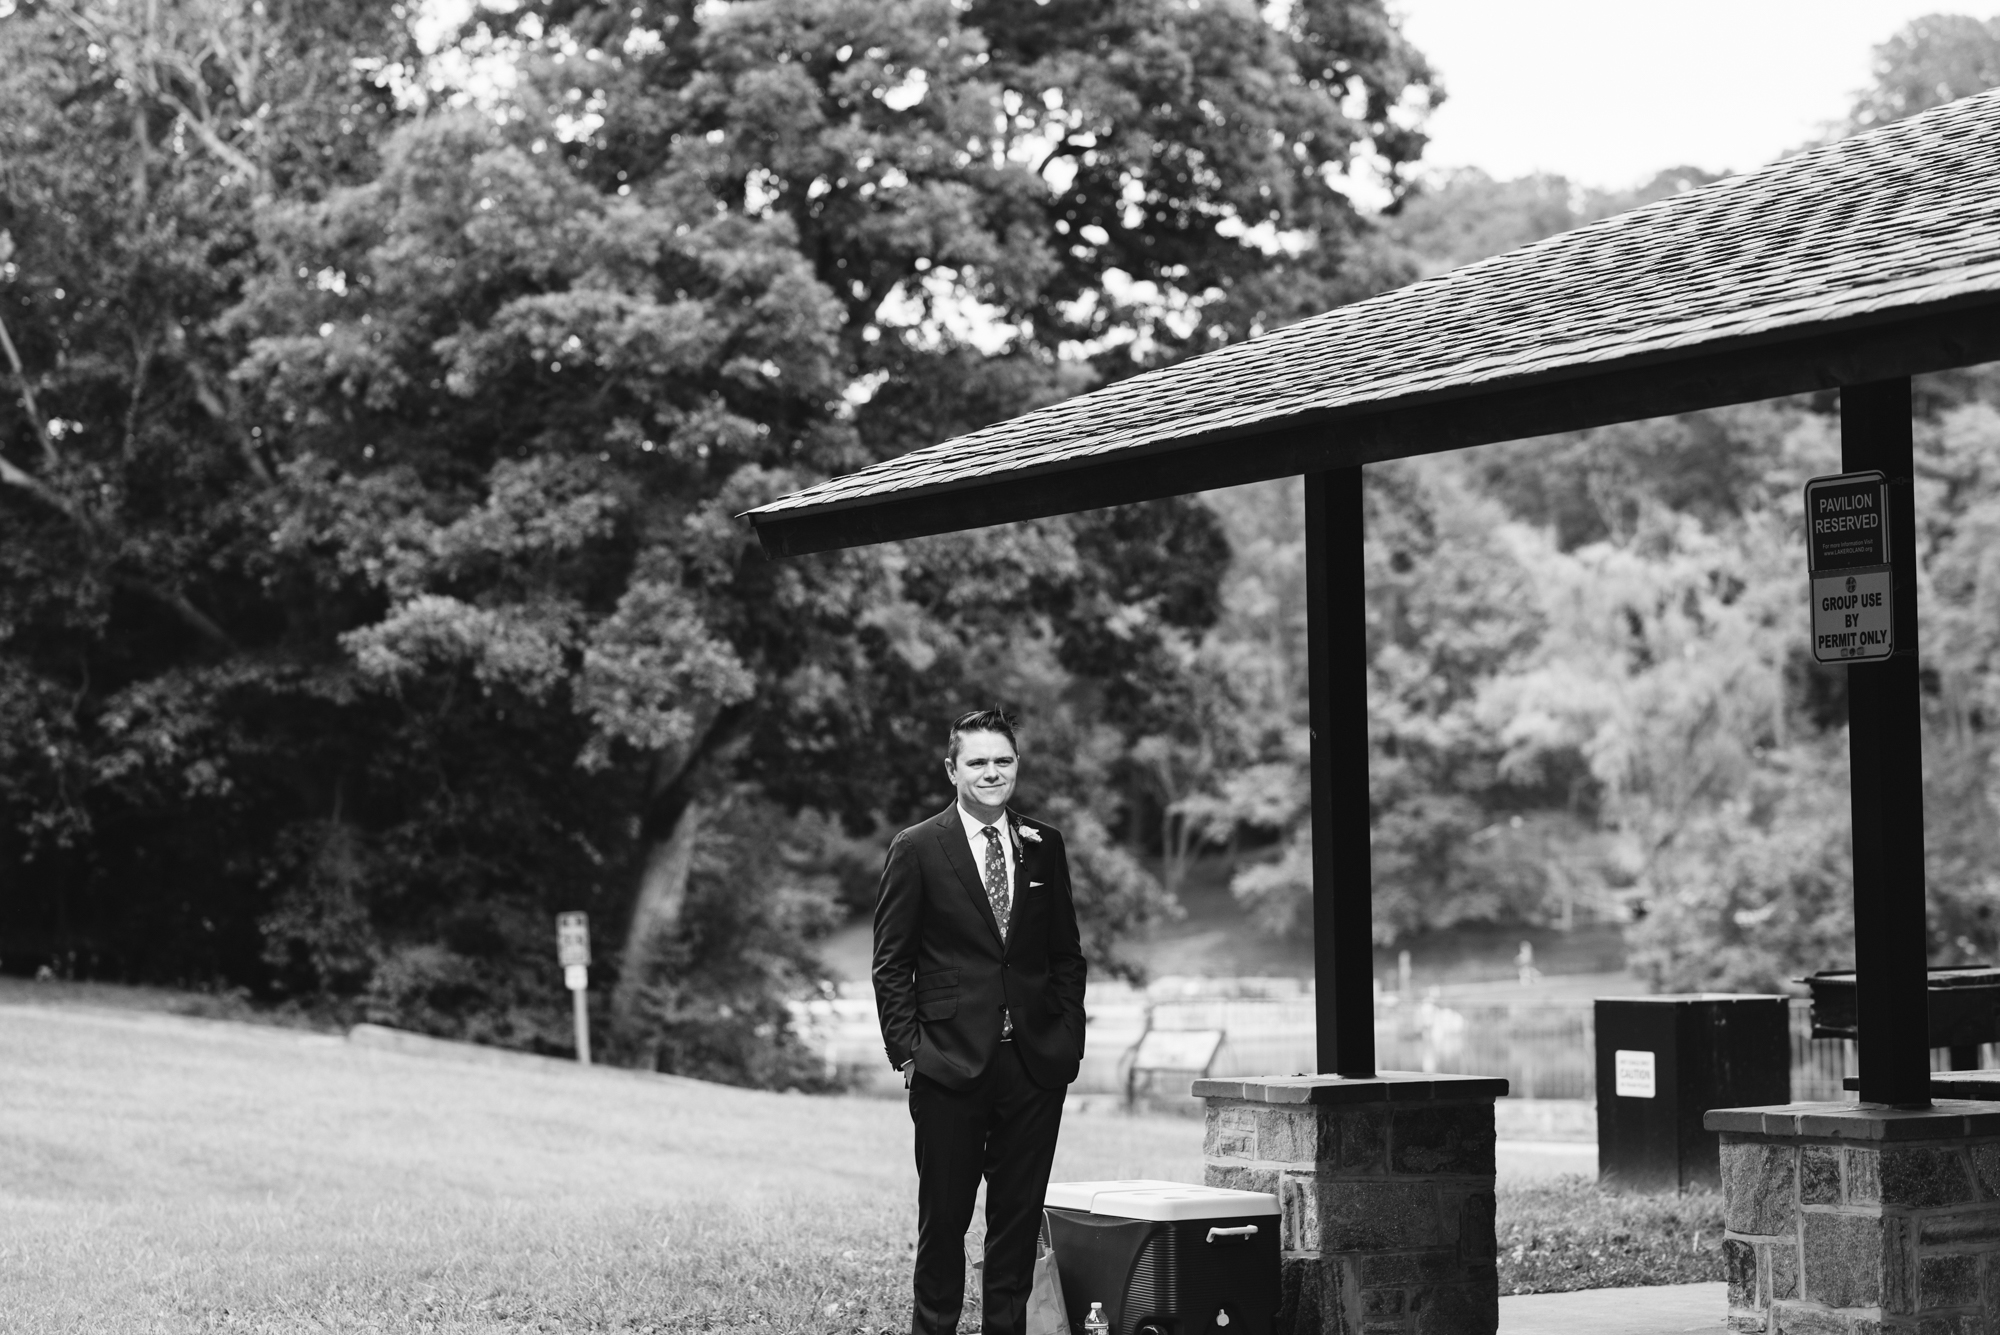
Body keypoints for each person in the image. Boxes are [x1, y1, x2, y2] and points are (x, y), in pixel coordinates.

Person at [872, 707, 1088, 1335]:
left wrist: (1066, 1041)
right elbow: (891, 963)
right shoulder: (916, 848)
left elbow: (1065, 954)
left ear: (1015, 765)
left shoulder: (1044, 844)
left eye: (1003, 760)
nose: (992, 772)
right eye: (978, 762)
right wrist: (910, 1055)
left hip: (1034, 1065)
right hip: (947, 1062)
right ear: (952, 769)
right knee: (944, 1222)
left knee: (1017, 1224)